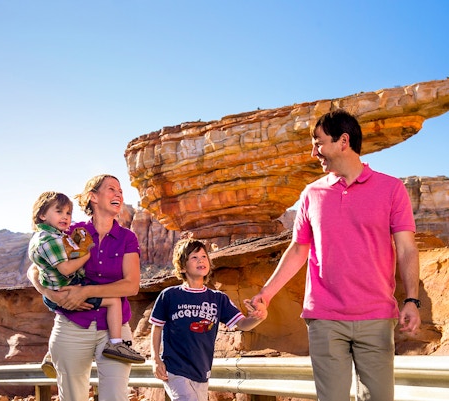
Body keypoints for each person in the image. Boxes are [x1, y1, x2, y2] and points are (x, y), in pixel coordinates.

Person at [251, 109, 421, 401]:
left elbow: (407, 248)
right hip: (324, 318)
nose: (314, 151)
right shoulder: (311, 194)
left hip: (376, 317)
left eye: (318, 142)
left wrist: (412, 300)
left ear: (343, 141)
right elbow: (298, 249)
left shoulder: (392, 189)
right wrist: (266, 293)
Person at [27, 175, 144, 401]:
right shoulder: (71, 232)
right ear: (93, 197)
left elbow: (131, 286)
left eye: (120, 191)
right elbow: (34, 270)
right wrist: (51, 295)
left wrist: (87, 291)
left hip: (115, 330)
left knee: (116, 397)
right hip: (71, 325)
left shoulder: (127, 238)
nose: (119, 194)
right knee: (72, 396)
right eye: (111, 189)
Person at [150, 234, 268, 401]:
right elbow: (157, 327)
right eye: (194, 257)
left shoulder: (218, 298)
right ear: (182, 267)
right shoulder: (170, 295)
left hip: (202, 370)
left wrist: (257, 317)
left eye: (204, 256)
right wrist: (155, 359)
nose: (201, 260)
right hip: (174, 368)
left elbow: (242, 324)